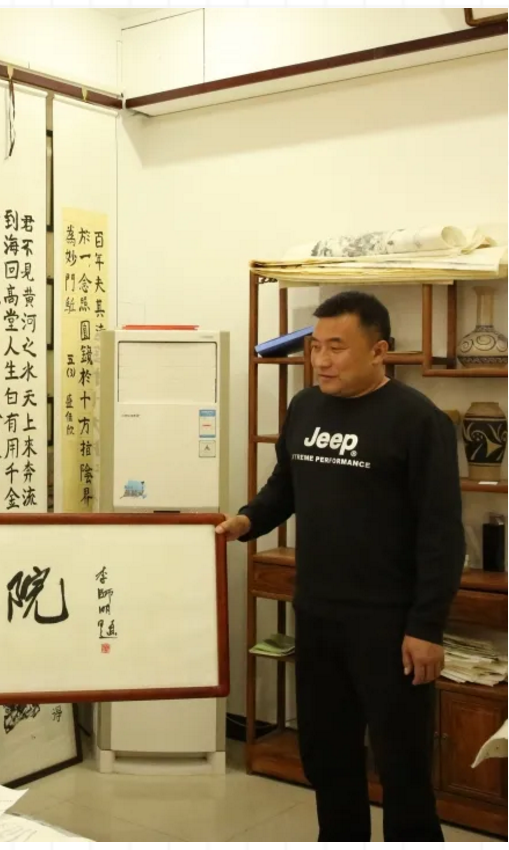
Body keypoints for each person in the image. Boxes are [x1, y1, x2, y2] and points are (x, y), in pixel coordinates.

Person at [217, 290, 463, 841]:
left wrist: (426, 627)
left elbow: (441, 534)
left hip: (390, 626)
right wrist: (247, 521)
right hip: (319, 614)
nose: (321, 360)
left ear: (379, 351)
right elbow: (286, 485)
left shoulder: (418, 421)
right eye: (315, 347)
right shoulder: (306, 407)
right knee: (327, 757)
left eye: (337, 347)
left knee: (402, 768)